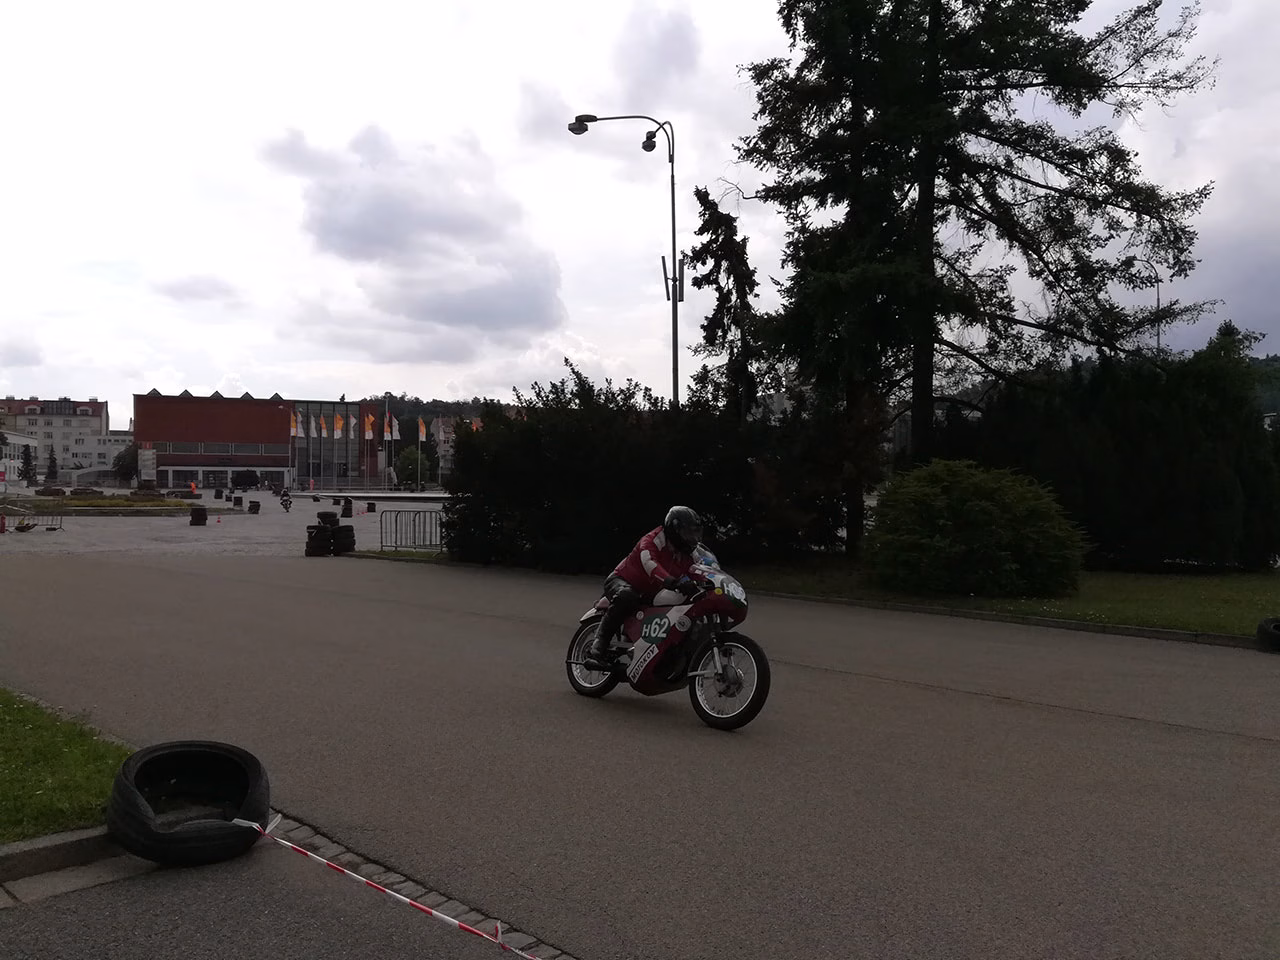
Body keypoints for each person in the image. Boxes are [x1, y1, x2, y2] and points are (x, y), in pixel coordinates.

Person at [586, 505, 706, 665]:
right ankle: (599, 643)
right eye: (687, 533)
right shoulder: (652, 540)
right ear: (674, 530)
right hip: (622, 580)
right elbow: (650, 564)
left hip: (653, 590)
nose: (692, 538)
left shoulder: (689, 552)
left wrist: (708, 581)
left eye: (695, 532)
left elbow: (700, 568)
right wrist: (673, 582)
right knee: (627, 595)